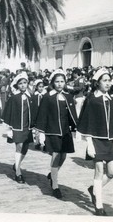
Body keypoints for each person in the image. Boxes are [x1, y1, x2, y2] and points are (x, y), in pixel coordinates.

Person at [77, 68, 113, 216]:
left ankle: (94, 190)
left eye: (109, 80)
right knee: (99, 171)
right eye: (105, 80)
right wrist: (89, 143)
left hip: (110, 141)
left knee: (112, 172)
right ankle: (99, 206)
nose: (108, 83)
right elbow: (87, 122)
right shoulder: (92, 100)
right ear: (97, 83)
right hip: (96, 140)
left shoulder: (111, 99)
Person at [35, 69, 78, 199]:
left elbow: (72, 113)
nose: (60, 84)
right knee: (56, 155)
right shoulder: (48, 97)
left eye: (62, 81)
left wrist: (75, 127)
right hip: (52, 130)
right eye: (57, 82)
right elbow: (42, 115)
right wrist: (40, 133)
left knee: (63, 156)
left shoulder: (68, 96)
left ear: (65, 82)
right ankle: (55, 185)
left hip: (65, 131)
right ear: (53, 83)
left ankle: (52, 174)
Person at [2, 72, 34, 184]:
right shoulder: (14, 98)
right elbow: (9, 113)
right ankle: (18, 173)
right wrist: (9, 128)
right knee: (19, 146)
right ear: (17, 85)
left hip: (27, 127)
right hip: (17, 126)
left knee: (25, 148)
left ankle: (17, 164)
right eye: (20, 83)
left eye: (25, 83)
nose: (23, 85)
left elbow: (34, 111)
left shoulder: (31, 97)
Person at [31, 79, 46, 150]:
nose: (41, 88)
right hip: (36, 114)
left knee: (43, 129)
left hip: (43, 114)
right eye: (39, 86)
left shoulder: (45, 96)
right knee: (36, 129)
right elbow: (33, 106)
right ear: (36, 87)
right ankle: (37, 142)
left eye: (42, 87)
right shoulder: (34, 96)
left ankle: (43, 142)